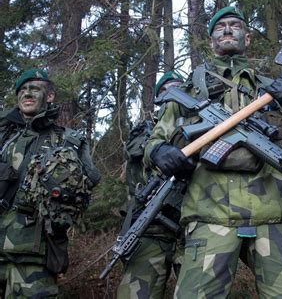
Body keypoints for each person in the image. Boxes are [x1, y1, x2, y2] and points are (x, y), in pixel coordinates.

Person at [144, 6, 282, 298]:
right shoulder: (189, 90)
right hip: (209, 216)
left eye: (235, 26)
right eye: (220, 27)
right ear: (211, 40)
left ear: (248, 38)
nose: (227, 30)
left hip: (273, 218)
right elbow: (155, 142)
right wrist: (162, 153)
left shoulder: (274, 89)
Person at [0, 68, 100, 298]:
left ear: (50, 96)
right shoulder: (3, 135)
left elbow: (90, 182)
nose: (27, 94)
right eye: (23, 90)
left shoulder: (68, 140)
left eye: (34, 89)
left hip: (35, 254)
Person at [117, 71, 184, 299]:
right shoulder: (144, 132)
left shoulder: (203, 128)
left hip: (193, 229)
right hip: (151, 229)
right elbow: (138, 158)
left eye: (179, 88)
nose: (173, 95)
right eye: (167, 91)